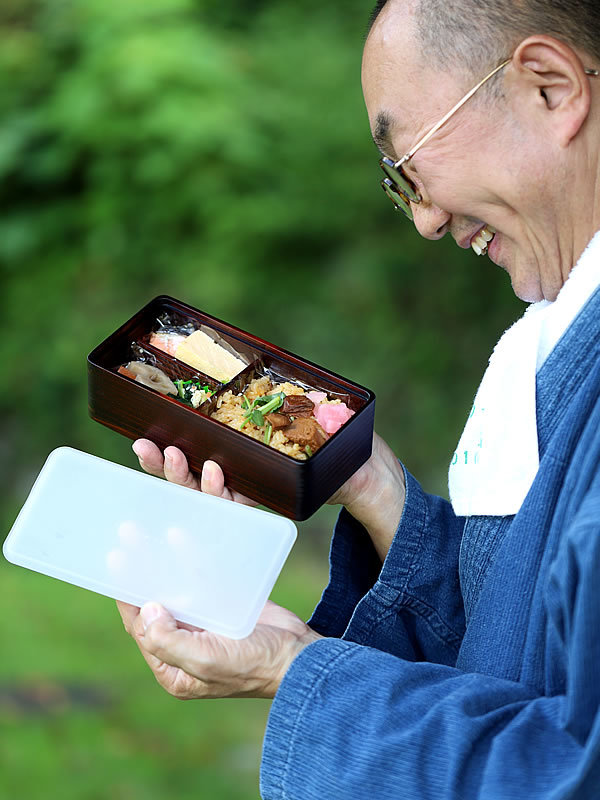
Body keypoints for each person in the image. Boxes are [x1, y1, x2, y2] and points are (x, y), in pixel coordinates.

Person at [117, 0, 600, 796]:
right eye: (395, 183)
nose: (425, 219)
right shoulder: (551, 339)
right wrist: (380, 497)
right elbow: (515, 651)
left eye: (410, 163)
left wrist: (300, 670)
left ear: (548, 88)